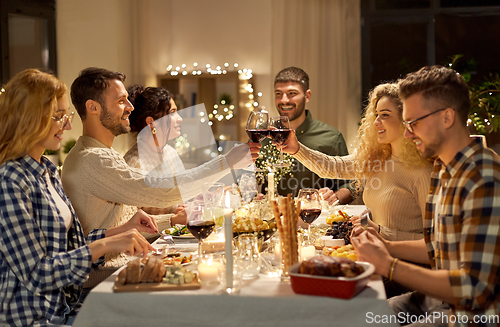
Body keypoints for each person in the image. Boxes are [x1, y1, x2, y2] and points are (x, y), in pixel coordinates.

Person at [0, 69, 156, 326]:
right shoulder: (10, 180)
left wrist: (119, 233)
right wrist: (105, 246)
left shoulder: (47, 170)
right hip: (35, 317)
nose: (69, 125)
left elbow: (71, 247)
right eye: (59, 117)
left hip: (65, 305)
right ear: (29, 117)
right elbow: (38, 273)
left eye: (67, 116)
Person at [62, 67, 251, 276]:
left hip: (123, 266)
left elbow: (123, 223)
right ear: (93, 107)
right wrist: (226, 162)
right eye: (120, 101)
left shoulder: (102, 154)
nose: (130, 107)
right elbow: (159, 191)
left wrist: (169, 221)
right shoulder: (93, 159)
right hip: (107, 277)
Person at [352, 66, 500, 325]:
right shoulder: (444, 168)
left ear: (447, 117)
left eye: (414, 122)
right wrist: (386, 246)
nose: (408, 133)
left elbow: (475, 289)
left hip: (471, 317)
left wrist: (389, 265)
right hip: (437, 300)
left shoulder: (483, 177)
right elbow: (436, 248)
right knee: (356, 318)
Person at [261, 82, 433, 242]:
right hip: (373, 255)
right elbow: (333, 167)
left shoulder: (423, 171)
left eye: (385, 115)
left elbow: (434, 244)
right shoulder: (378, 158)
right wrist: (297, 149)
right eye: (376, 115)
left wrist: (378, 230)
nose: (376, 122)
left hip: (400, 267)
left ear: (406, 119)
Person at [260, 67, 352, 203]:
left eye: (292, 93)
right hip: (272, 220)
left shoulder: (331, 137)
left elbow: (352, 185)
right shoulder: (263, 136)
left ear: (307, 96)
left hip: (317, 220)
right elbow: (246, 179)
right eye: (278, 93)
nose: (284, 100)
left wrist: (335, 196)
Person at [123, 85, 186, 228]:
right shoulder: (133, 165)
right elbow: (129, 223)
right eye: (172, 113)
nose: (179, 118)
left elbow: (181, 198)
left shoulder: (170, 152)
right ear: (151, 122)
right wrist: (174, 217)